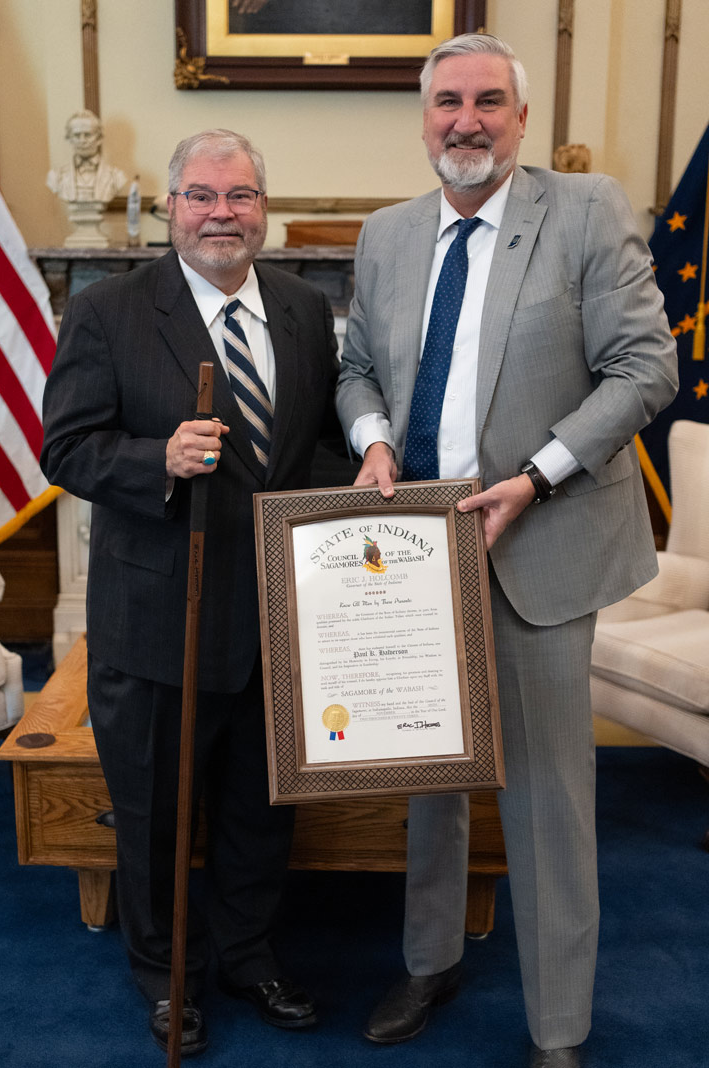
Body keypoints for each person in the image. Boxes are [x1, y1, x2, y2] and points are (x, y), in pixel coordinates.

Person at [335, 33, 677, 1068]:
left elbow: (645, 368)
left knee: (546, 794)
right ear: (424, 117)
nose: (466, 121)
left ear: (520, 119)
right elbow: (356, 368)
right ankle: (431, 958)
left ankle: (559, 1027)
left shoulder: (585, 210)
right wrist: (375, 438)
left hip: (543, 539)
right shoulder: (388, 235)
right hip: (416, 551)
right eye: (447, 102)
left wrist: (537, 477)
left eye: (488, 101)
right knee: (429, 773)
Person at [41, 128, 342, 1057]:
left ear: (264, 210)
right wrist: (156, 459)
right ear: (171, 207)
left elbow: (313, 452)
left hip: (275, 622)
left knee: (261, 808)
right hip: (157, 622)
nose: (222, 213)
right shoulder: (110, 314)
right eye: (202, 196)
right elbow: (65, 448)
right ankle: (166, 975)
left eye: (241, 196)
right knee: (157, 815)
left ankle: (249, 956)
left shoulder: (301, 311)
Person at [46, 109, 127, 205]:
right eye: (77, 135)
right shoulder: (56, 177)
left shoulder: (117, 177)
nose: (82, 140)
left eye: (88, 135)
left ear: (99, 139)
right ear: (69, 139)